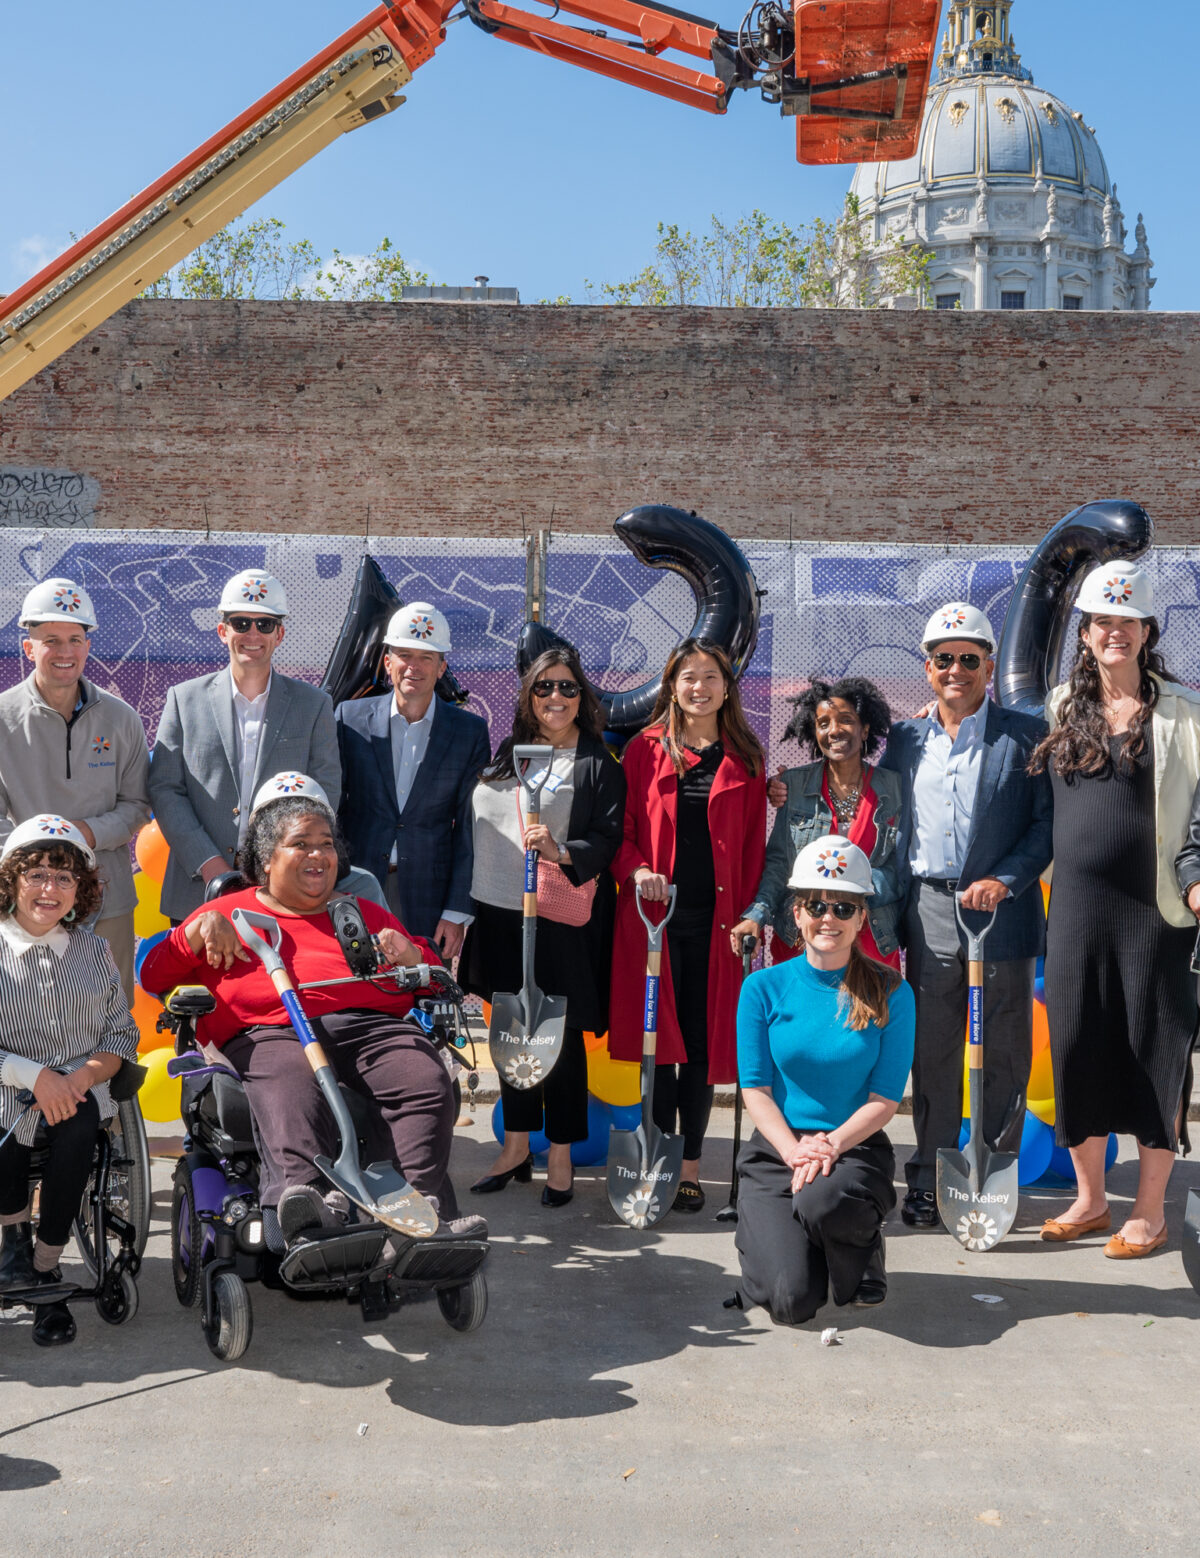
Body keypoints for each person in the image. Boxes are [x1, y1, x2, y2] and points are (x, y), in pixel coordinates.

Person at [140, 784, 477, 1245]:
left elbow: (434, 976)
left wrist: (411, 954)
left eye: (325, 844)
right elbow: (154, 974)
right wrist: (196, 931)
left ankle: (417, 1212)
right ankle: (305, 1205)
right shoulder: (225, 913)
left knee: (424, 1076)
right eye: (300, 844)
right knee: (290, 1082)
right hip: (272, 1032)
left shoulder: (361, 912)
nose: (317, 854)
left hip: (371, 1026)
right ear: (265, 859)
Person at [1037, 563, 1200, 1256]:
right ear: (1086, 631)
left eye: (1127, 621)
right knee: (1078, 1048)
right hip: (1075, 909)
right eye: (1102, 620)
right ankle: (1091, 1199)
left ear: (1146, 630)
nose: (1115, 632)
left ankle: (1151, 1210)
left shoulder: (1183, 712)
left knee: (1154, 1050)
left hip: (1156, 911)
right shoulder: (1057, 707)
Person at [880, 602, 1052, 1229]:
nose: (956, 670)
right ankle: (927, 1177)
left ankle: (992, 1173)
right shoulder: (904, 738)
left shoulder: (1027, 736)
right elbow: (879, 811)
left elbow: (1045, 825)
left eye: (969, 659)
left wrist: (1004, 881)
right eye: (944, 659)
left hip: (999, 912)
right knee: (935, 1049)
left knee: (1005, 1047)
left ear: (987, 665)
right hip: (927, 906)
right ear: (928, 669)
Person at [461, 647, 625, 1206]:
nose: (556, 698)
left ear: (583, 697)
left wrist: (559, 849)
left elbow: (607, 838)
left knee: (561, 1036)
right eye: (544, 688)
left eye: (568, 688)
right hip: (502, 909)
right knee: (512, 1026)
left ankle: (559, 1153)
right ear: (529, 696)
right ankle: (514, 1145)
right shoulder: (512, 752)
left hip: (559, 916)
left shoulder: (598, 762)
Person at [608, 636, 766, 1213]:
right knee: (658, 1046)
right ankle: (655, 1154)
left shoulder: (747, 756)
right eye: (688, 677)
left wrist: (748, 915)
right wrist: (639, 869)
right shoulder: (644, 751)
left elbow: (751, 846)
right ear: (672, 686)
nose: (699, 688)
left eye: (711, 677)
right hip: (653, 921)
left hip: (715, 924)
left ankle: (692, 1166)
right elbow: (621, 835)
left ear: (728, 687)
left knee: (699, 1050)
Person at [732, 837, 914, 1324]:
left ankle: (860, 1245)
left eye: (843, 906)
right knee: (791, 1304)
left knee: (821, 1199)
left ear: (861, 918)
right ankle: (792, 1247)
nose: (827, 917)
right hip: (779, 1149)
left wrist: (830, 1145)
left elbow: (885, 1100)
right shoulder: (761, 988)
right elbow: (755, 1089)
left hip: (853, 1149)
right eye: (815, 904)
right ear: (797, 914)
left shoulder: (893, 991)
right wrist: (794, 1151)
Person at [0, 816, 139, 1346]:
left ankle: (45, 1262)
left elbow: (121, 1036)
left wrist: (79, 1076)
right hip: (7, 1081)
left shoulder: (93, 950)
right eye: (36, 874)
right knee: (6, 1122)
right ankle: (13, 1244)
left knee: (81, 1126)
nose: (48, 889)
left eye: (63, 878)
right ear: (12, 879)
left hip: (80, 1086)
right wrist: (34, 1077)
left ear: (80, 889)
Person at [150, 569, 342, 923]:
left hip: (284, 893)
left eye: (265, 625)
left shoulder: (313, 705)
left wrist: (278, 866)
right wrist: (211, 866)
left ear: (280, 634)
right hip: (199, 892)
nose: (252, 634)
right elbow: (165, 789)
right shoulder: (183, 699)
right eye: (241, 622)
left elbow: (323, 792)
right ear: (223, 631)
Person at [0, 578, 151, 999]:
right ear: (28, 648)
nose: (65, 652)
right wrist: (40, 858)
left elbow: (137, 804)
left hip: (108, 895)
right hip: (26, 901)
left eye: (75, 639)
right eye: (51, 640)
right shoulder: (2, 718)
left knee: (111, 1011)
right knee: (28, 1015)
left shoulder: (122, 719)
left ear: (87, 646)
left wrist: (83, 834)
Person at [335, 602, 490, 961]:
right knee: (355, 988)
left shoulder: (469, 733)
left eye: (426, 657)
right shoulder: (349, 718)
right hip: (354, 886)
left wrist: (456, 911)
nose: (413, 666)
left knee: (420, 999)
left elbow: (471, 826)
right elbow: (331, 810)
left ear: (442, 668)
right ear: (387, 662)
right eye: (404, 654)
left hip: (428, 897)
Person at [734, 676, 903, 970]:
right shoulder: (792, 785)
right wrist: (756, 915)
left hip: (872, 942)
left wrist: (850, 888)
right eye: (823, 723)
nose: (834, 730)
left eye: (846, 720)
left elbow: (904, 868)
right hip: (803, 942)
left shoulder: (895, 788)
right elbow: (778, 865)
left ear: (864, 730)